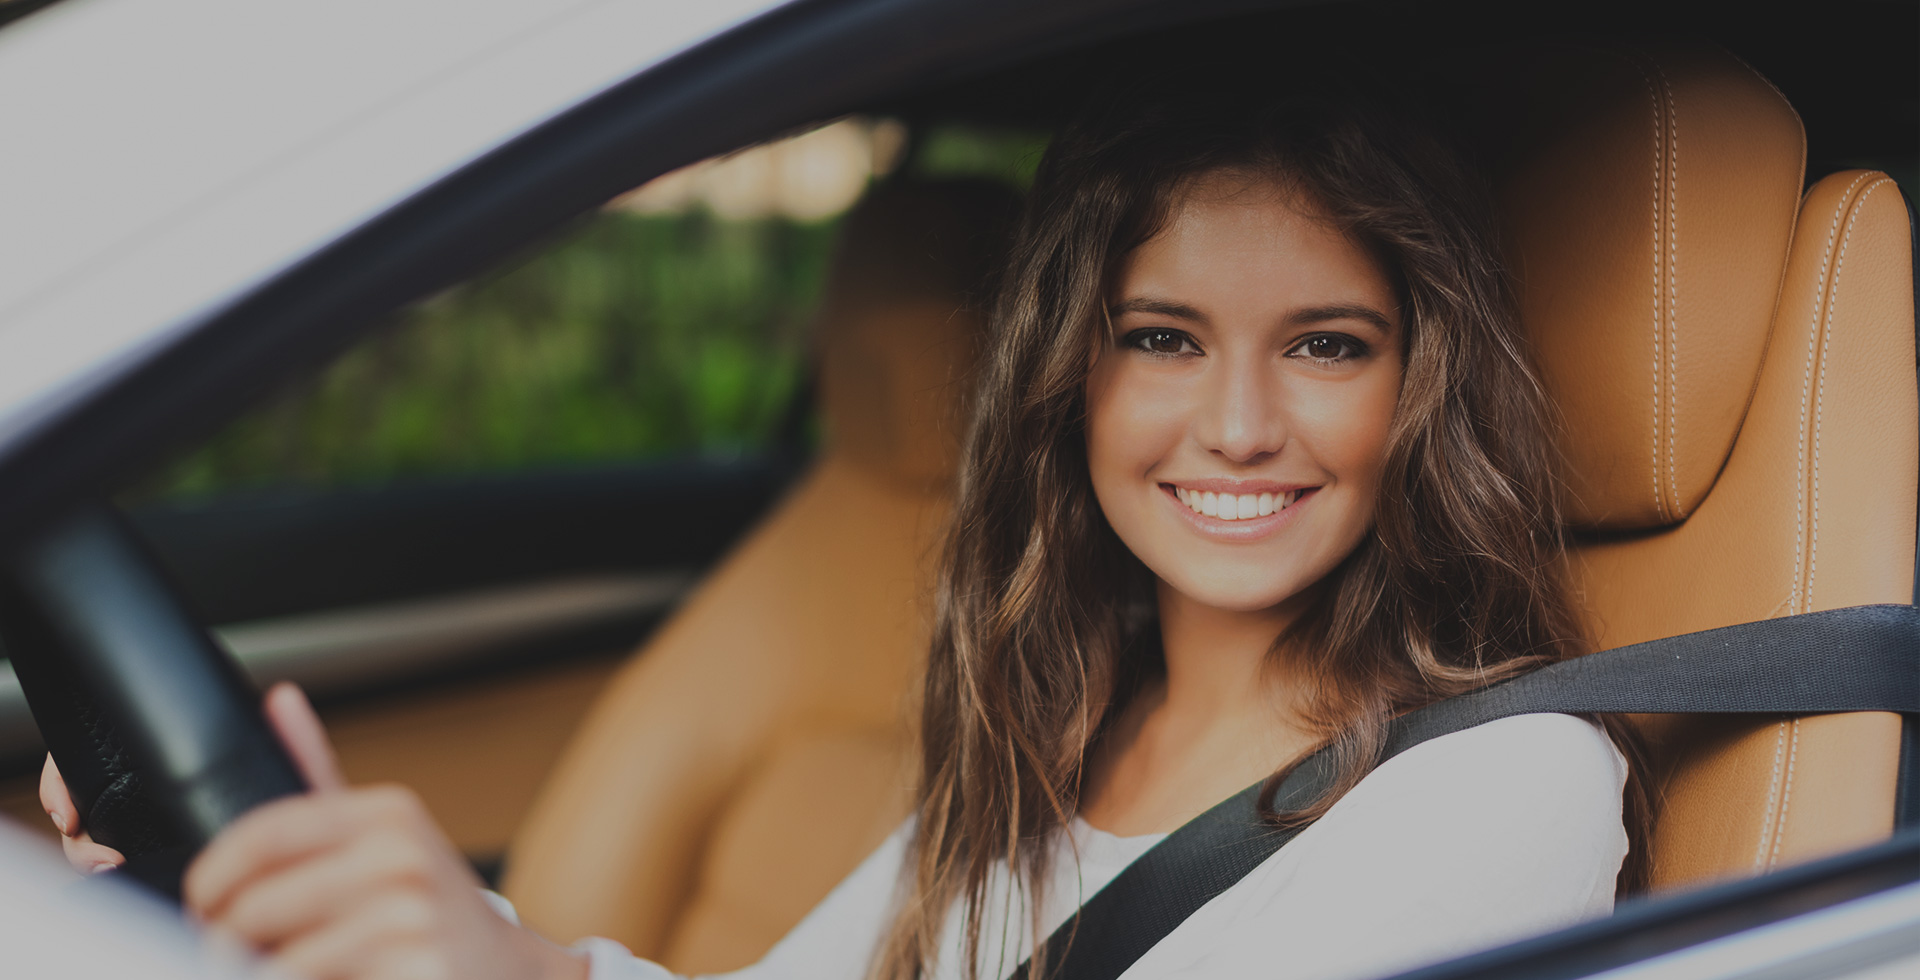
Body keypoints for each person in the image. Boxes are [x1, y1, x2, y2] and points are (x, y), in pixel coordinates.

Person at [42, 71, 1650, 980]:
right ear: (1070, 383)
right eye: (1162, 337)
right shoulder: (1066, 726)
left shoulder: (1506, 786)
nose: (1235, 424)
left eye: (1325, 345)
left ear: (1421, 388)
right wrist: (418, 934)